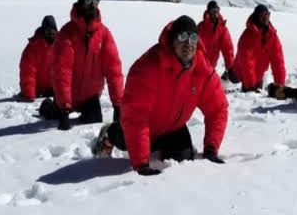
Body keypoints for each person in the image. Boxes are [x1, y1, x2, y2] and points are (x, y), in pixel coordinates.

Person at [91, 16, 228, 176]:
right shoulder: (150, 66)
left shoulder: (202, 69)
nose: (188, 44)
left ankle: (156, 147)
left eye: (193, 38)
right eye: (183, 37)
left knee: (184, 157)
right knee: (125, 137)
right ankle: (109, 134)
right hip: (142, 126)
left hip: (173, 127)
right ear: (172, 40)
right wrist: (142, 164)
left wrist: (211, 148)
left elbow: (218, 108)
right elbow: (136, 117)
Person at [46, 0, 124, 130]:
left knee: (94, 120)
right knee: (53, 115)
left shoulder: (104, 34)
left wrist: (118, 105)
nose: (92, 6)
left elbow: (114, 70)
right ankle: (48, 106)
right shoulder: (66, 33)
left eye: (96, 1)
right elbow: (62, 72)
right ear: (80, 3)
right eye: (88, 1)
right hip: (65, 99)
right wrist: (64, 108)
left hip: (90, 99)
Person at [231, 5, 286, 93]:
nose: (265, 18)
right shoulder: (247, 36)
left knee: (257, 93)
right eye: (262, 15)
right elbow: (247, 63)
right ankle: (228, 74)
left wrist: (280, 85)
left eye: (267, 15)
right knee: (235, 80)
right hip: (242, 71)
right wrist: (250, 86)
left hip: (258, 73)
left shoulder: (272, 36)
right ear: (256, 17)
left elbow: (278, 61)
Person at [19, 15, 58, 101]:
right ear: (43, 32)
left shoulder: (61, 46)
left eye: (53, 31)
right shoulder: (32, 48)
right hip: (37, 92)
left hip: (54, 91)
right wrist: (29, 95)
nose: (51, 34)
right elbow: (27, 73)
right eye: (48, 31)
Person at [197, 1, 235, 78]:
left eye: (217, 10)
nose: (215, 13)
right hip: (198, 66)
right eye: (213, 11)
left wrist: (230, 67)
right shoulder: (201, 27)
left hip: (211, 66)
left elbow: (228, 49)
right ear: (208, 13)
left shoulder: (222, 29)